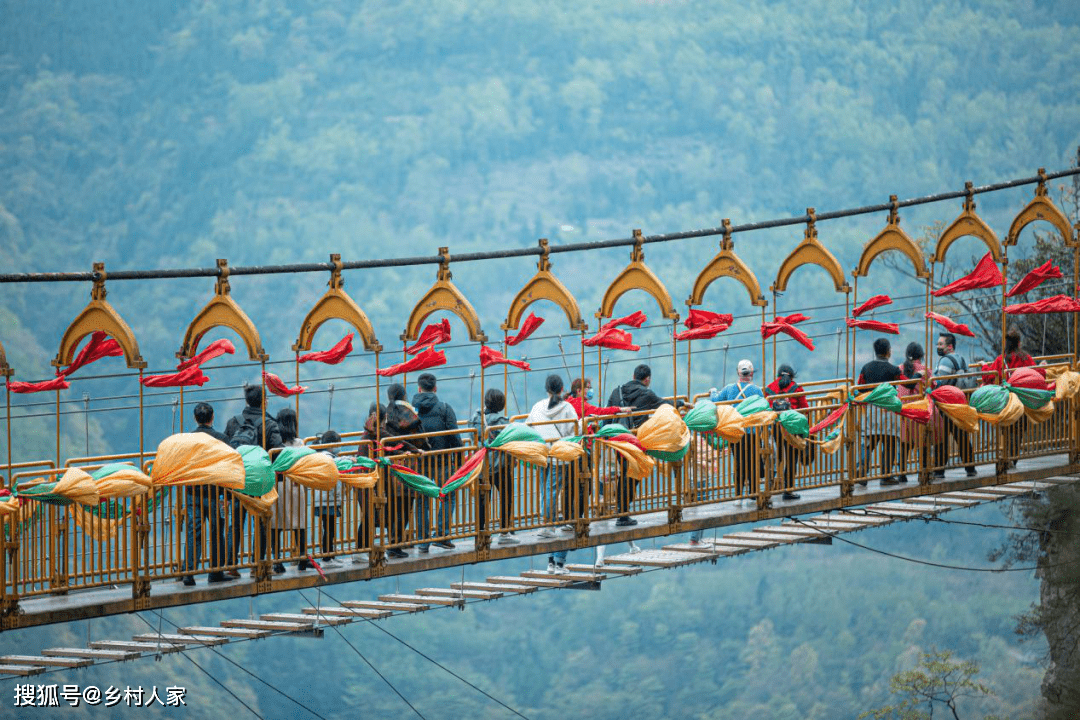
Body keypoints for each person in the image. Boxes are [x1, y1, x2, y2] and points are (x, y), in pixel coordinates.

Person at [224, 383, 283, 575]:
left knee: (236, 521)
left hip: (238, 479)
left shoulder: (234, 422)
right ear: (264, 401)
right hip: (260, 480)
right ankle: (257, 564)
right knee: (261, 520)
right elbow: (277, 450)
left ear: (247, 401)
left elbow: (226, 449)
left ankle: (231, 566)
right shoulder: (269, 423)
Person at [607, 364, 676, 526]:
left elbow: (608, 414)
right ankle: (622, 513)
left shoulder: (616, 392)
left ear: (633, 376)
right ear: (647, 379)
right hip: (635, 441)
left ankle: (622, 510)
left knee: (625, 473)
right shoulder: (647, 393)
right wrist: (681, 403)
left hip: (617, 439)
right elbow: (664, 405)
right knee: (631, 475)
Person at [564, 378, 633, 533]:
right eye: (588, 388)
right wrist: (619, 410)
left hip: (567, 448)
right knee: (585, 485)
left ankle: (568, 518)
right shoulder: (580, 405)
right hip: (582, 448)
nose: (591, 390)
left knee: (570, 485)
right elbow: (600, 411)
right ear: (579, 390)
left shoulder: (568, 402)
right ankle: (578, 518)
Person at [527, 374, 578, 573]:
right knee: (553, 491)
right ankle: (547, 526)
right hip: (559, 455)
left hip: (541, 453)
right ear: (562, 388)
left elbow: (529, 426)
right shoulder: (567, 408)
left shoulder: (538, 406)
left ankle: (545, 526)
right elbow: (574, 430)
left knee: (544, 490)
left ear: (546, 389)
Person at [182, 402, 233, 586]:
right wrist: (227, 496)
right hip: (216, 493)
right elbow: (229, 468)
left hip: (192, 492)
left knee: (192, 530)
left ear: (195, 418)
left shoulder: (186, 441)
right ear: (212, 417)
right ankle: (215, 572)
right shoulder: (222, 439)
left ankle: (188, 572)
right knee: (217, 531)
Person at [413, 373, 462, 552]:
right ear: (435, 388)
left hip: (419, 464)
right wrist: (459, 462)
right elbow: (454, 437)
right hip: (443, 462)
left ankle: (423, 542)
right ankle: (442, 535)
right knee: (448, 496)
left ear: (419, 389)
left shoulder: (410, 411)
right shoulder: (444, 408)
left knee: (421, 502)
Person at [983, 327, 1043, 463]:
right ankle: (1013, 457)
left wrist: (983, 366)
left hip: (1006, 400)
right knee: (1019, 429)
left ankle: (1006, 456)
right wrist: (1042, 366)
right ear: (1019, 343)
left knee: (1007, 429)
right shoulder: (1025, 358)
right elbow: (1038, 373)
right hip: (1022, 399)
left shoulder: (1001, 360)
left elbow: (988, 376)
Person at [468, 389, 518, 545]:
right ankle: (504, 531)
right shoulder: (502, 422)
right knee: (506, 496)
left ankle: (480, 534)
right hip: (501, 465)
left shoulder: (475, 419)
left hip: (481, 464)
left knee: (483, 500)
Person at [385, 384, 428, 558]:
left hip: (389, 467)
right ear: (403, 395)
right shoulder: (408, 413)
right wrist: (423, 448)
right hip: (407, 465)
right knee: (404, 507)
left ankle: (392, 542)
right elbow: (419, 438)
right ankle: (395, 545)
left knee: (393, 507)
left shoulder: (386, 413)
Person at [856, 338, 904, 486]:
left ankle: (862, 472)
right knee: (889, 444)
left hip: (871, 411)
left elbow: (859, 387)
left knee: (868, 443)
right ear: (888, 352)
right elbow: (907, 382)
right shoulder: (894, 370)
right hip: (889, 412)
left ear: (875, 352)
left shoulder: (866, 368)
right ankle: (886, 476)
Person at [933, 333, 977, 478]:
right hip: (959, 404)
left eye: (941, 344)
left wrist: (930, 384)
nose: (938, 347)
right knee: (962, 437)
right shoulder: (961, 359)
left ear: (949, 346)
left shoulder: (945, 361)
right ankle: (970, 467)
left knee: (941, 438)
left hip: (946, 406)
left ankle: (939, 470)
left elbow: (940, 381)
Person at [272, 408, 310, 574]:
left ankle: (277, 561)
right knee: (299, 521)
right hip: (295, 484)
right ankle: (302, 557)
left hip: (277, 485)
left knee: (276, 523)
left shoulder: (274, 445)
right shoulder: (299, 444)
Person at [764, 364, 807, 501]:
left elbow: (766, 408)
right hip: (792, 428)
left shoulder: (769, 388)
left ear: (778, 375)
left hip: (776, 427)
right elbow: (805, 408)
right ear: (792, 375)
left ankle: (770, 486)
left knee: (776, 457)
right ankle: (788, 490)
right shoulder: (796, 388)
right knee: (791, 458)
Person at [895, 342, 929, 484]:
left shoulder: (899, 369)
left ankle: (902, 473)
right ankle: (924, 472)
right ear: (921, 356)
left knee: (904, 443)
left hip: (902, 410)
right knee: (922, 442)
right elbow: (931, 386)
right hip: (918, 410)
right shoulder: (924, 370)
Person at [312, 430, 342, 566]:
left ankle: (330, 555)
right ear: (332, 444)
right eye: (338, 444)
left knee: (328, 528)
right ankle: (327, 558)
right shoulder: (330, 459)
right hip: (328, 499)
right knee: (329, 529)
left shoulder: (320, 456)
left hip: (323, 499)